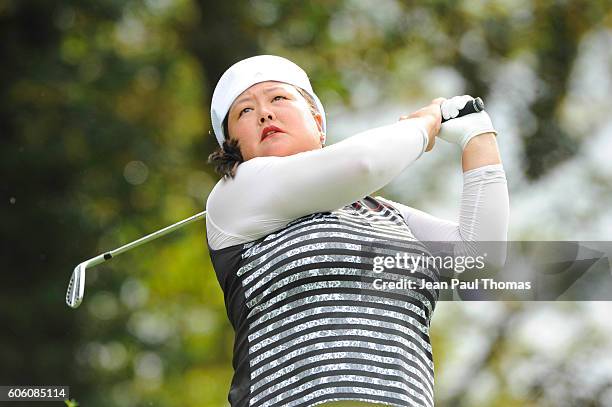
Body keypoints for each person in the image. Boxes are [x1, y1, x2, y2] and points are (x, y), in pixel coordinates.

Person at [205, 55, 509, 407]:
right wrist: (425, 124)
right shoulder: (235, 195)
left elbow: (481, 258)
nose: (264, 113)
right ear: (232, 146)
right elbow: (363, 164)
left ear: (318, 122)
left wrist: (478, 135)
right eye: (244, 111)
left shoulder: (386, 215)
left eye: (279, 98)